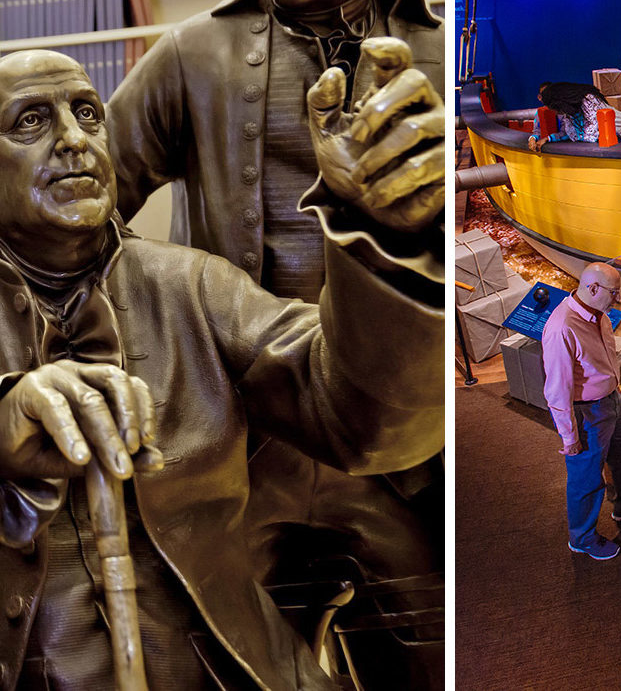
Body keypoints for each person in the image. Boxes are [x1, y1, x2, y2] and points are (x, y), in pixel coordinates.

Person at [104, 0, 444, 686]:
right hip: (237, 451)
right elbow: (78, 220)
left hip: (397, 452)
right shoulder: (193, 55)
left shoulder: (440, 65)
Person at [0, 47, 442, 688]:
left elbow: (366, 423)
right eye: (31, 121)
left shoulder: (189, 285)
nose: (74, 141)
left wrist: (381, 241)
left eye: (88, 114)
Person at [541, 262, 621, 561]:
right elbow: (556, 390)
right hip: (588, 413)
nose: (617, 297)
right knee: (586, 479)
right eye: (614, 292)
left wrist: (615, 388)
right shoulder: (561, 329)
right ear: (593, 288)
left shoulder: (600, 315)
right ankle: (581, 537)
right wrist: (569, 437)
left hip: (613, 399)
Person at [528, 80, 621, 152]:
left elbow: (592, 133)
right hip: (614, 141)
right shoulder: (569, 112)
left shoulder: (588, 100)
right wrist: (548, 139)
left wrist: (576, 136)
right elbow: (569, 133)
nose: (555, 112)